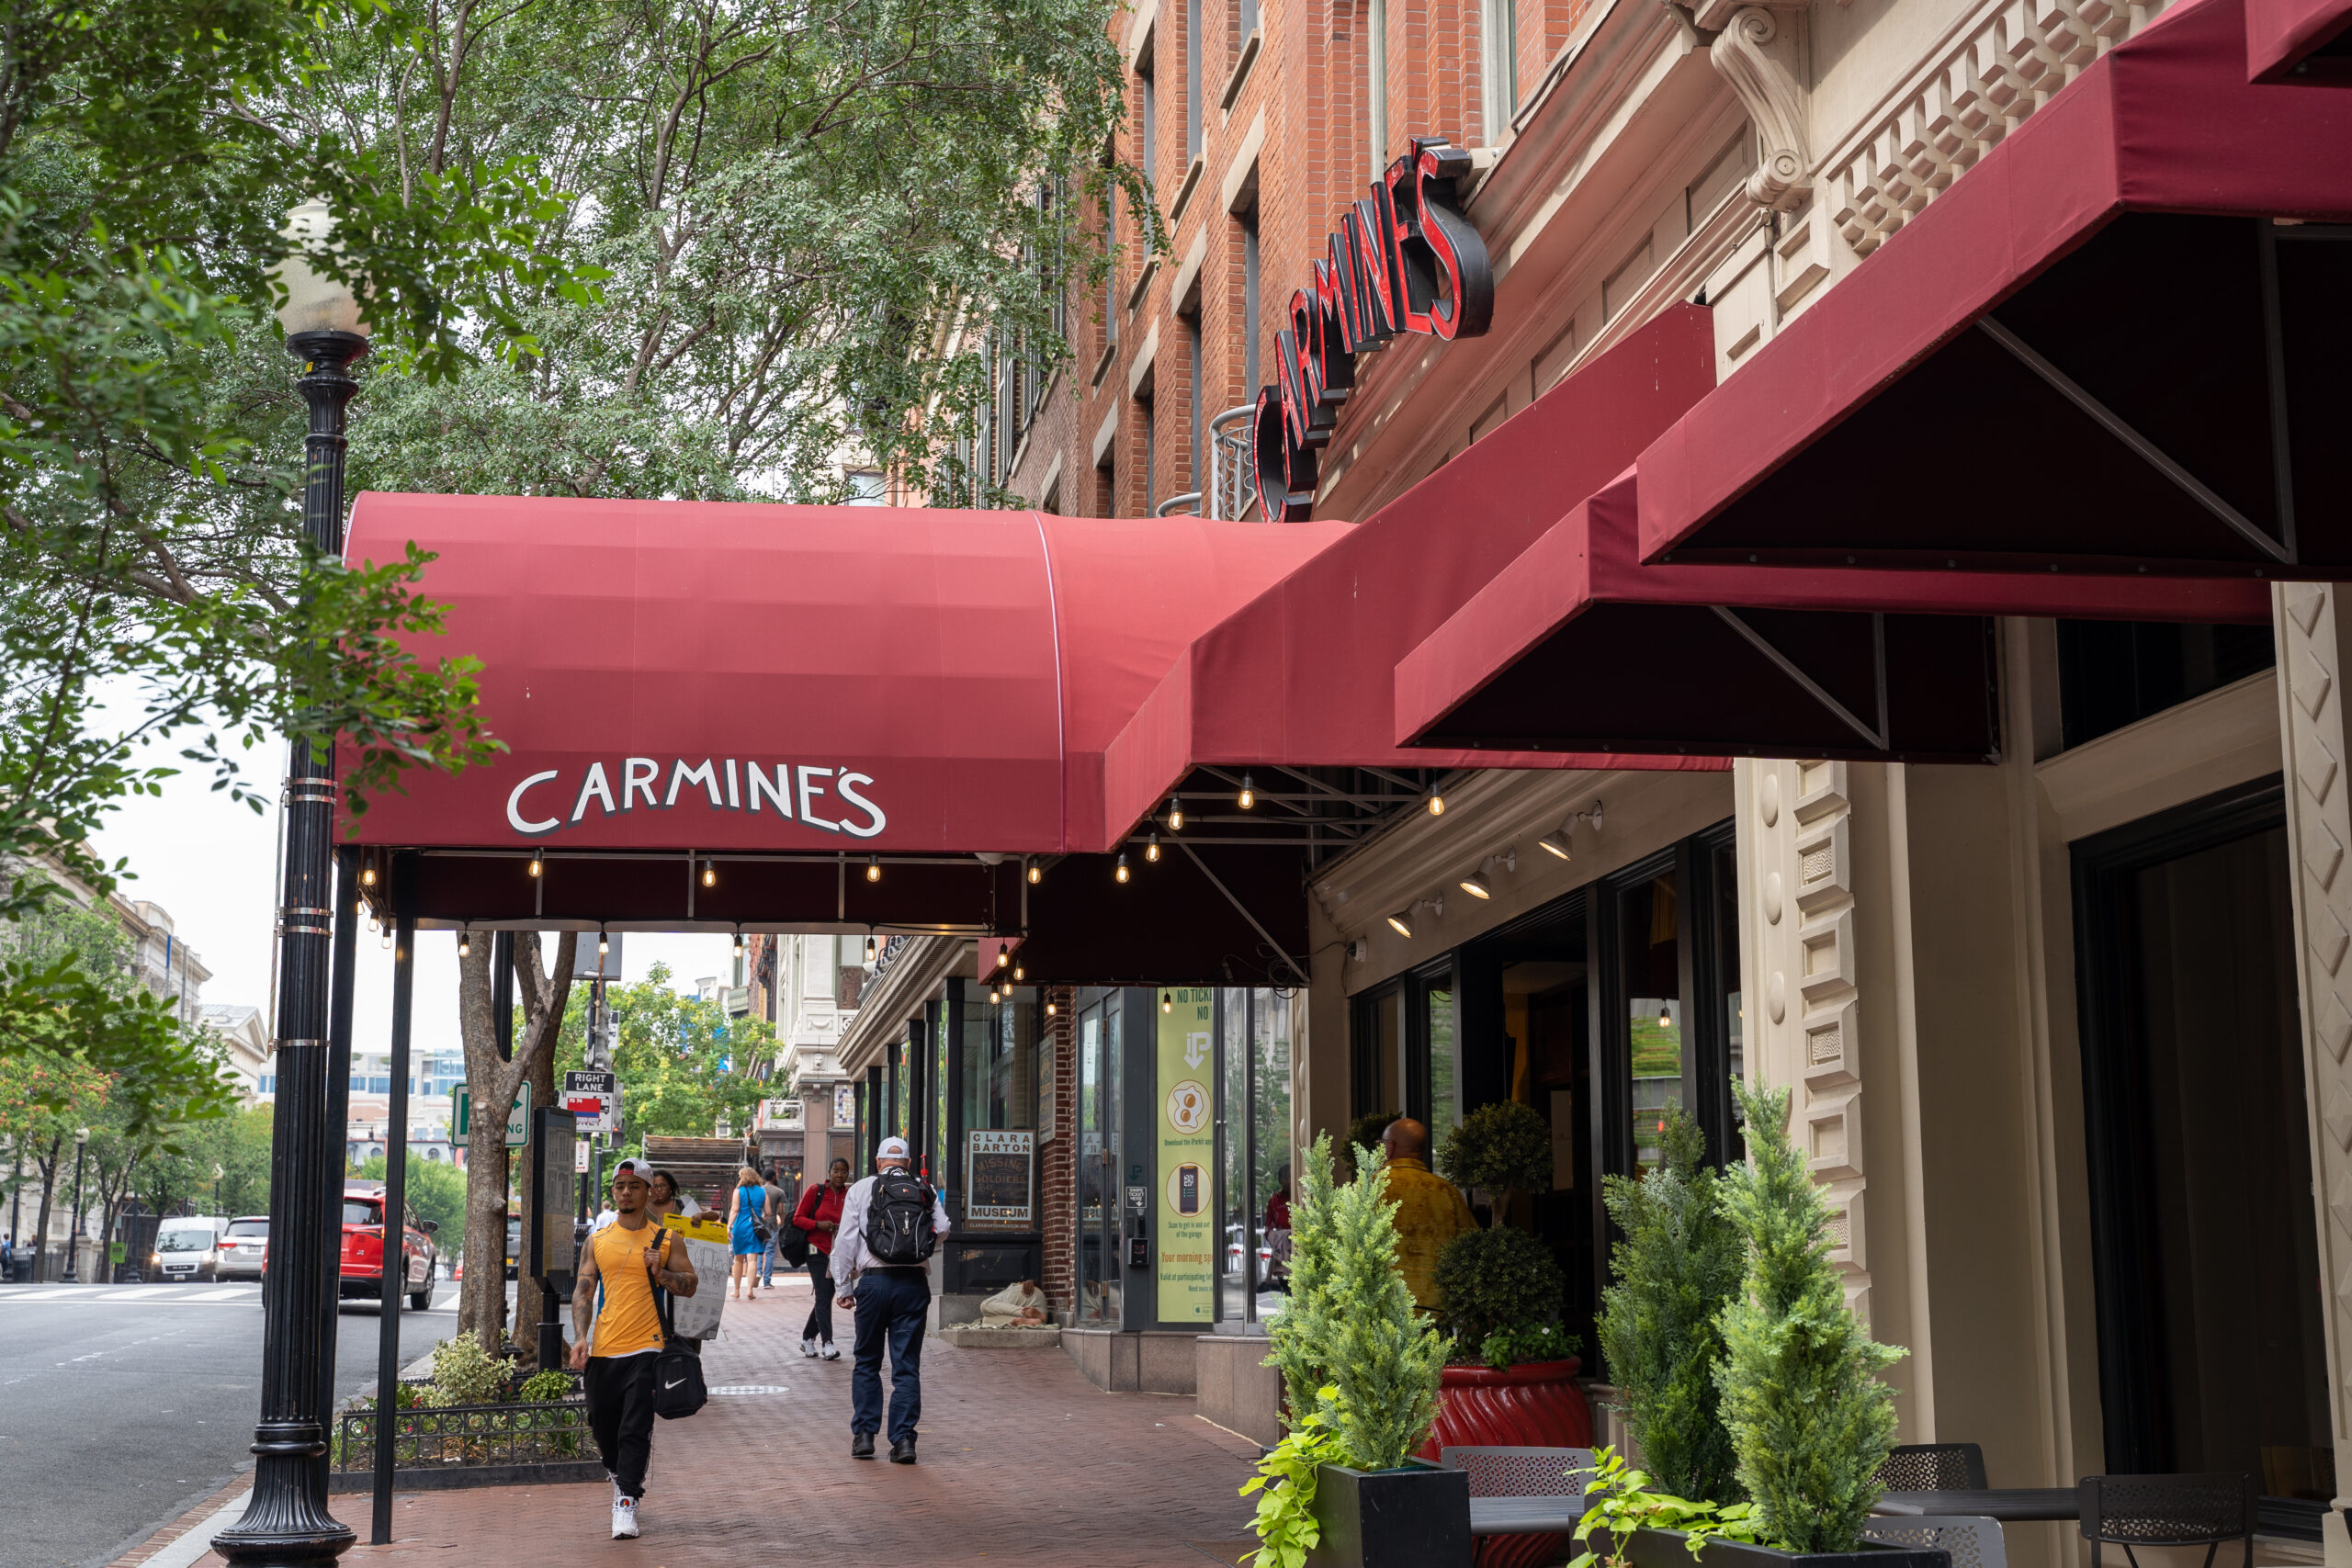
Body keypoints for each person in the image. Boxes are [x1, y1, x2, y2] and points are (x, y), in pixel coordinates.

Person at [569, 1163, 697, 1541]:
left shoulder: (666, 1238)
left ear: (648, 1192)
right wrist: (580, 1336)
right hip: (606, 1347)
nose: (626, 1192)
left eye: (634, 1186)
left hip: (648, 1346)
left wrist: (664, 1276)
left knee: (634, 1427)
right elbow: (583, 1291)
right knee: (602, 1423)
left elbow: (690, 1285)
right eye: (620, 1186)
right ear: (613, 1193)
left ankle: (626, 1499)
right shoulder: (598, 1240)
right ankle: (618, 1471)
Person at [831, 1136, 950, 1463]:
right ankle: (904, 1442)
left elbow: (845, 1242)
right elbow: (943, 1228)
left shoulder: (862, 1189)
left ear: (878, 1161)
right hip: (913, 1285)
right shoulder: (923, 1187)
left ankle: (865, 1436)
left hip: (873, 1284)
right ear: (908, 1163)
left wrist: (843, 1288)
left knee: (867, 1361)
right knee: (906, 1367)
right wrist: (919, 1248)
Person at [1378, 1118, 1475, 1314]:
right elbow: (1470, 1245)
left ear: (1391, 1147)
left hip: (1382, 1306)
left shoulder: (1369, 1188)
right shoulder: (1447, 1192)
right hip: (1436, 1309)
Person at [792, 1157, 851, 1359]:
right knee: (824, 1295)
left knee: (824, 1297)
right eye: (836, 1170)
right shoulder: (815, 1191)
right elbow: (797, 1218)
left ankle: (808, 1338)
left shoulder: (849, 1195)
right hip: (815, 1248)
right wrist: (819, 1225)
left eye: (844, 1171)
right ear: (829, 1172)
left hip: (838, 1252)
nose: (840, 1175)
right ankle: (828, 1344)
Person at [726, 1165, 767, 1301]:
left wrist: (728, 1226)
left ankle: (736, 1290)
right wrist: (760, 1219)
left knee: (738, 1259)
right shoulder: (762, 1192)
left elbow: (735, 1210)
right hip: (755, 1227)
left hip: (740, 1226)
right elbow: (768, 1213)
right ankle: (750, 1290)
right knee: (753, 1259)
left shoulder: (739, 1191)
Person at [758, 1166, 790, 1290]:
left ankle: (757, 1272)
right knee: (770, 1253)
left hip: (760, 1225)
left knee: (759, 1251)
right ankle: (767, 1282)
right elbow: (781, 1210)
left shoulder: (759, 1191)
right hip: (772, 1226)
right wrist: (781, 1223)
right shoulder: (779, 1192)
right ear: (773, 1177)